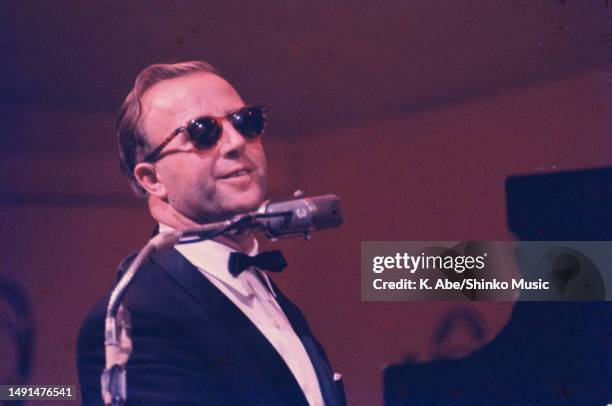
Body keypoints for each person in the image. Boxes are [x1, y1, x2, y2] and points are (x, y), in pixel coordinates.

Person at [77, 61, 345, 405]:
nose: (236, 142)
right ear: (152, 179)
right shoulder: (135, 319)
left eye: (246, 122)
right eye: (202, 131)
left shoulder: (266, 289)